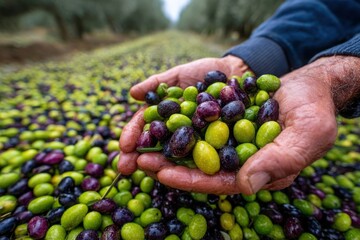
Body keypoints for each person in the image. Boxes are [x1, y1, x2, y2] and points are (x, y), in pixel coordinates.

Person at [118, 0, 360, 195]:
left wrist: (331, 77)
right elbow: (331, 7)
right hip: (210, 125)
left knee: (239, 124)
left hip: (225, 126)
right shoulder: (196, 115)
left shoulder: (232, 116)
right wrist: (250, 60)